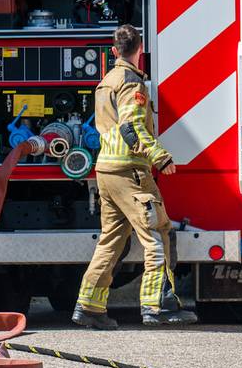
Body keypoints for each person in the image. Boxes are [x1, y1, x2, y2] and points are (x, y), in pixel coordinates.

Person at [72, 25, 197, 330]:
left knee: (111, 241)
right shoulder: (131, 82)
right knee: (158, 233)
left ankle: (89, 306)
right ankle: (158, 306)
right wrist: (159, 156)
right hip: (130, 171)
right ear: (140, 50)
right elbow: (132, 127)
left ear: (113, 52)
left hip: (105, 171)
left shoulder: (105, 82)